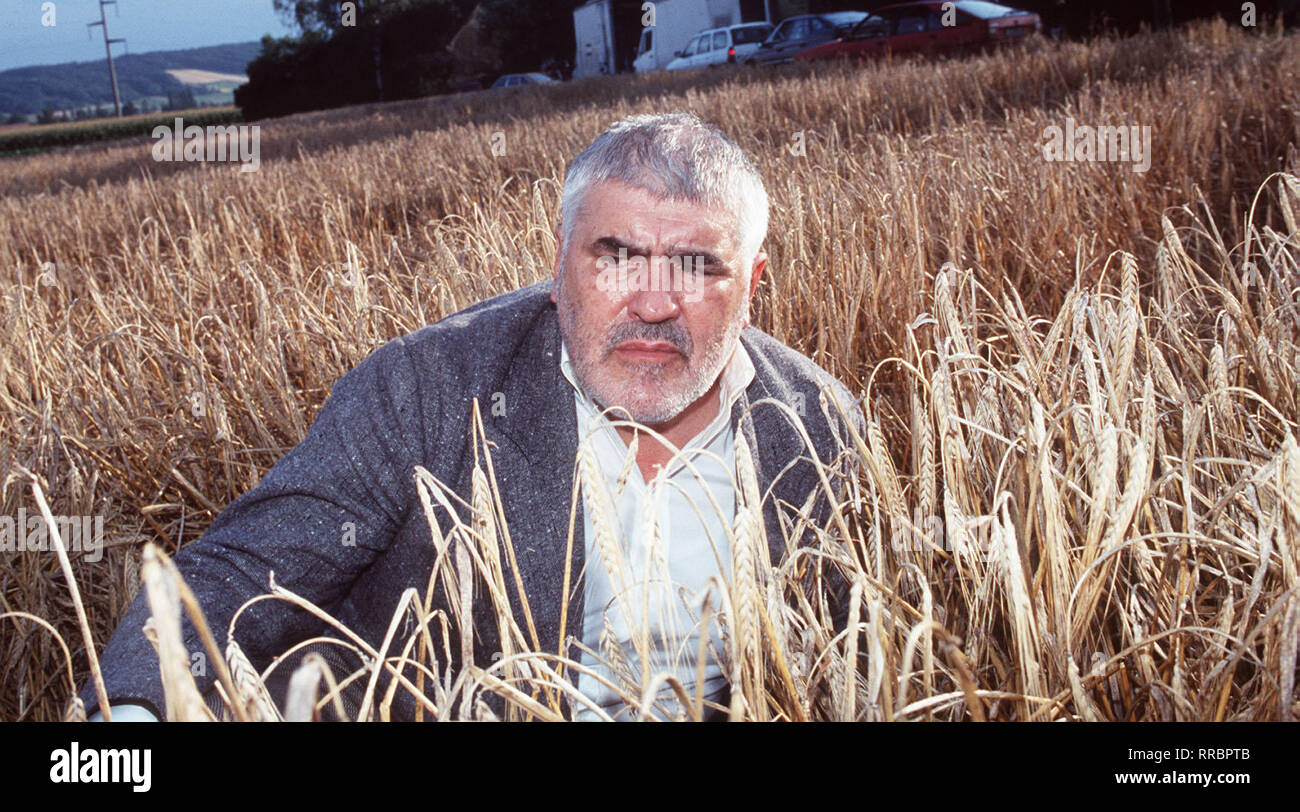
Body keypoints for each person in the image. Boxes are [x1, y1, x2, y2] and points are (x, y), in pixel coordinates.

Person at [81, 111, 864, 721]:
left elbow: (842, 654)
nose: (654, 302)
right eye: (616, 256)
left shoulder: (817, 424)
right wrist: (129, 714)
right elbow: (245, 574)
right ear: (558, 262)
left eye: (696, 266)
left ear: (753, 281)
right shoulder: (427, 387)